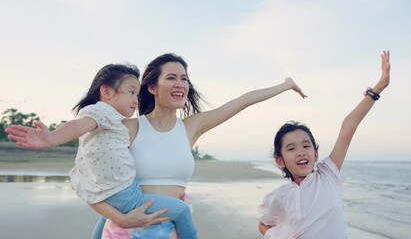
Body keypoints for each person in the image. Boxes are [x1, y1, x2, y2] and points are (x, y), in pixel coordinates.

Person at [88, 53, 308, 238]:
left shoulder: (190, 127)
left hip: (172, 227)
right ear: (153, 87)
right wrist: (121, 218)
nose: (180, 84)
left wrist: (286, 85)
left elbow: (243, 101)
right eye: (172, 78)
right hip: (127, 229)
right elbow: (92, 184)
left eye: (184, 79)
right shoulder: (129, 127)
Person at [5, 63, 198, 239]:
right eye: (131, 92)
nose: (135, 100)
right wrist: (52, 138)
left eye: (136, 94)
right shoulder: (102, 112)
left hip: (109, 194)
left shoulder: (111, 123)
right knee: (181, 211)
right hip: (129, 196)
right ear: (106, 91)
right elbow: (79, 125)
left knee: (103, 224)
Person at [257, 50, 391, 238]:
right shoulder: (280, 195)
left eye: (306, 146)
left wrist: (379, 87)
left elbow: (348, 127)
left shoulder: (328, 174)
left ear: (316, 154)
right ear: (280, 160)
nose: (301, 152)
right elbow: (263, 224)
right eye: (291, 148)